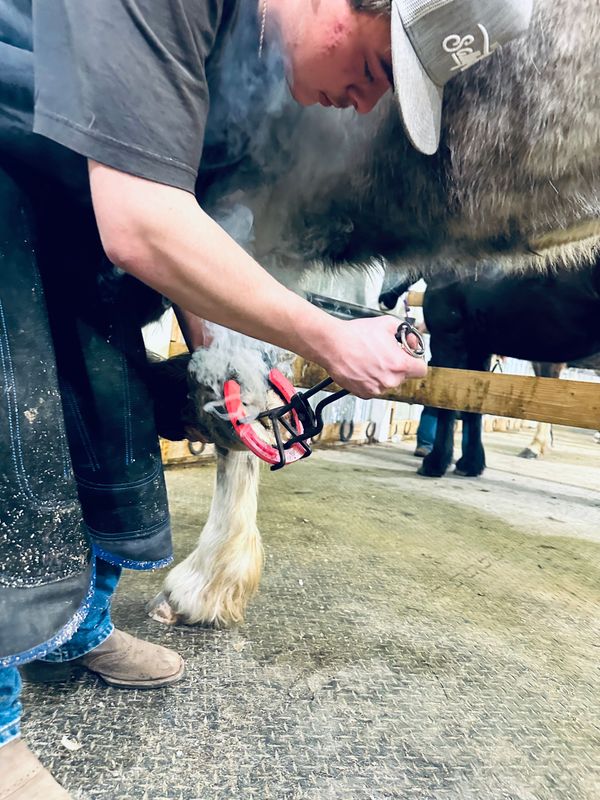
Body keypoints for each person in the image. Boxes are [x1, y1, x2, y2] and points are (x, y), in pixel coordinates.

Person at [0, 0, 532, 796]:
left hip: (76, 203)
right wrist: (328, 337)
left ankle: (75, 634)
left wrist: (225, 361)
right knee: (17, 445)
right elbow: (143, 223)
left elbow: (194, 216)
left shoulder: (255, 77)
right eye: (378, 69)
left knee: (113, 414)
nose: (364, 105)